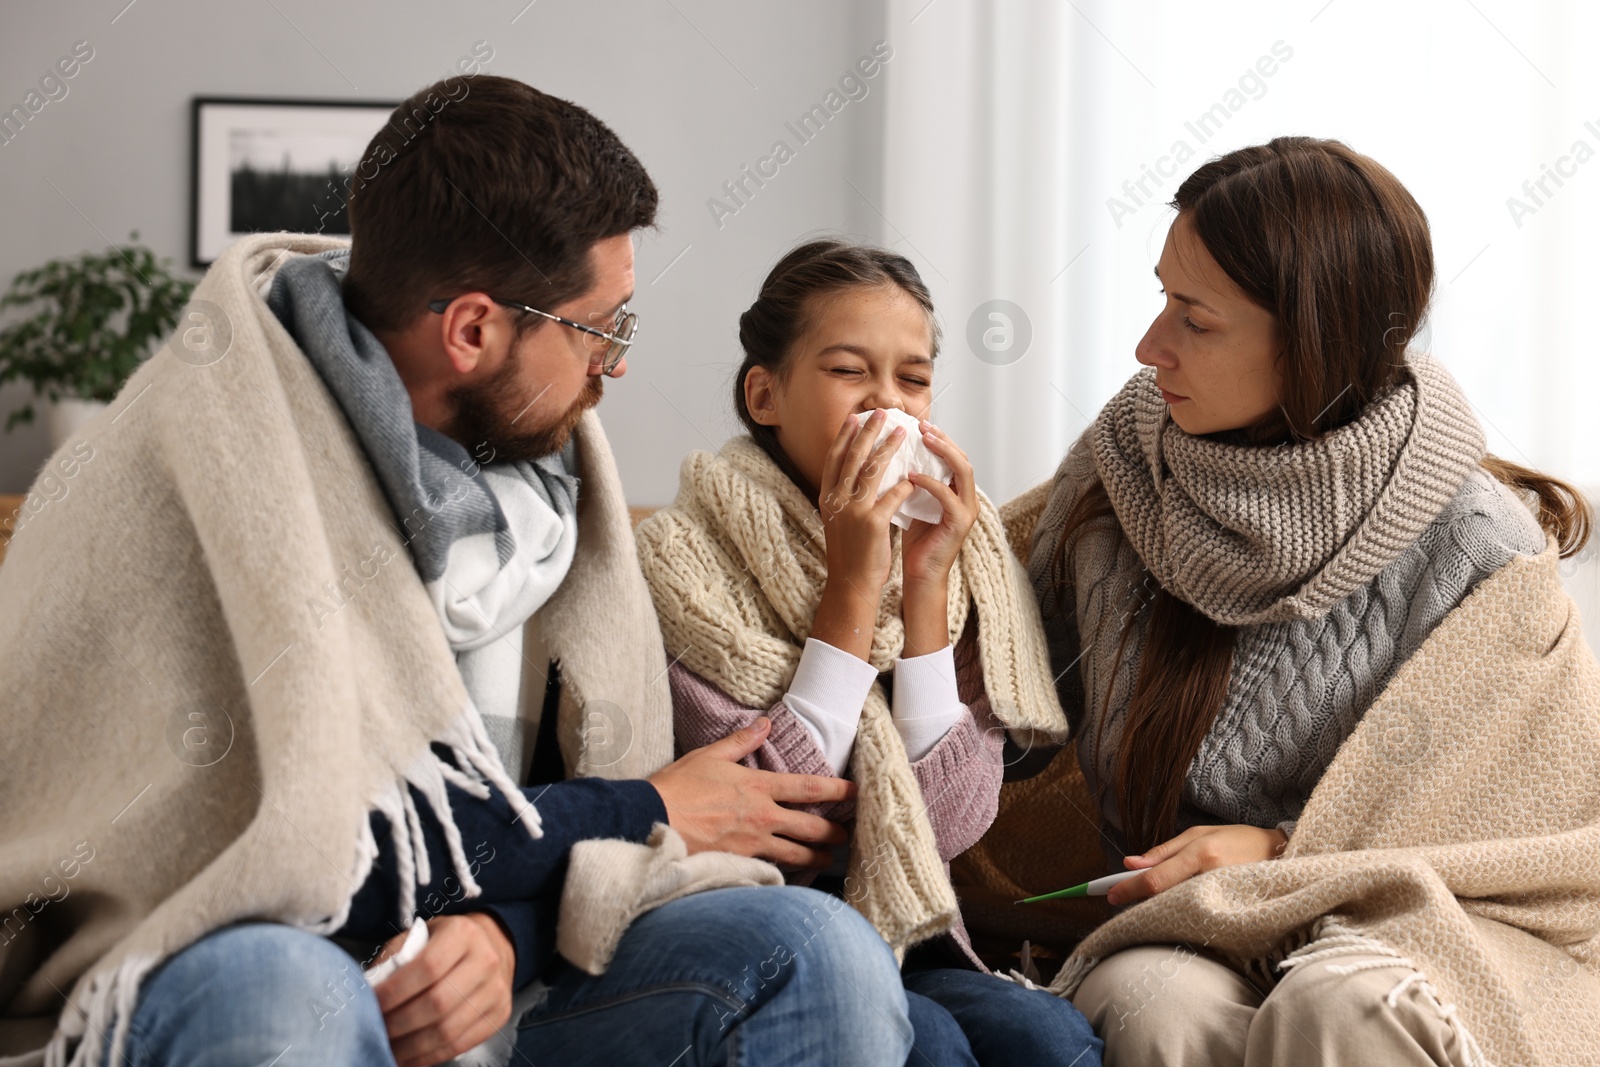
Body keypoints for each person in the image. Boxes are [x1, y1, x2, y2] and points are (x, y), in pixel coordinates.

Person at [0, 76, 916, 1067]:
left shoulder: (555, 482)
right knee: (278, 989)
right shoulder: (173, 475)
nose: (614, 367)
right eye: (601, 328)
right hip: (248, 954)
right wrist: (648, 806)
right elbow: (268, 854)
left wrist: (504, 934)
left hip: (508, 950)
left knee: (813, 947)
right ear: (474, 330)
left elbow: (542, 802)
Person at [1011, 136, 1600, 1065]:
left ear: (1314, 339)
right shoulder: (1119, 465)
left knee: (1342, 1001)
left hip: (1413, 926)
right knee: (1144, 1003)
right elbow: (1002, 724)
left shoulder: (1481, 548)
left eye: (1194, 319)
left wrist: (1283, 855)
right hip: (1198, 930)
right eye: (1161, 297)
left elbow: (1544, 847)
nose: (1148, 347)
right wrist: (919, 582)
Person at [635, 239, 1104, 1067]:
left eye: (914, 379)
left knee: (1049, 1038)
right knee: (932, 1046)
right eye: (851, 371)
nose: (887, 402)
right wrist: (851, 592)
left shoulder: (967, 567)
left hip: (915, 924)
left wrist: (922, 586)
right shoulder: (682, 562)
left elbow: (950, 827)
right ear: (766, 393)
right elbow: (780, 815)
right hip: (764, 926)